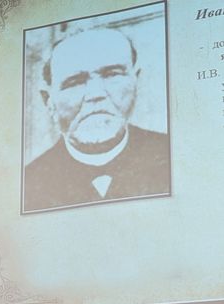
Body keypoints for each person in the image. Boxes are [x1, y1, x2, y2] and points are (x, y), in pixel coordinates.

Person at [24, 26, 170, 211]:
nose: (96, 94)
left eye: (112, 74)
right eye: (75, 82)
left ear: (136, 81)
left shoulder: (173, 154)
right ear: (48, 101)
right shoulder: (27, 183)